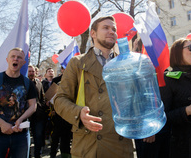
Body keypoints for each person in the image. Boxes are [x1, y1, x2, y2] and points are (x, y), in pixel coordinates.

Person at [54, 16, 133, 158]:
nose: (111, 32)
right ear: (93, 33)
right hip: (89, 144)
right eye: (106, 28)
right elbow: (60, 99)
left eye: (114, 29)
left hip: (120, 144)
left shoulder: (125, 63)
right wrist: (78, 114)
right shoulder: (77, 63)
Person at [0, 47, 37, 158]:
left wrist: (20, 119)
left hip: (21, 136)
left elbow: (33, 106)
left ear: (23, 62)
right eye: (13, 57)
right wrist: (1, 124)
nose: (16, 59)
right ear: (7, 60)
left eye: (19, 57)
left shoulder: (28, 83)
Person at [50, 66, 72, 158]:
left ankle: (65, 155)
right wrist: (52, 109)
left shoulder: (74, 79)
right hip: (57, 114)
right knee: (55, 137)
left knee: (66, 138)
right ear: (62, 70)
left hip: (69, 114)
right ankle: (52, 154)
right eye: (64, 68)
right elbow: (50, 97)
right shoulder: (56, 80)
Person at [28, 65, 47, 158]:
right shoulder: (24, 82)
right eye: (29, 71)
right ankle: (28, 155)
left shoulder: (39, 83)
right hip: (26, 116)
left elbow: (42, 97)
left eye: (33, 71)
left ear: (35, 72)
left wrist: (41, 107)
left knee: (38, 137)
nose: (31, 73)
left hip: (38, 115)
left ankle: (37, 154)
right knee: (26, 138)